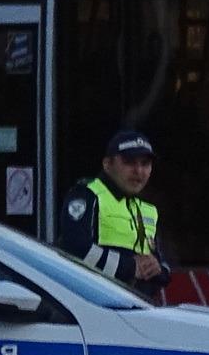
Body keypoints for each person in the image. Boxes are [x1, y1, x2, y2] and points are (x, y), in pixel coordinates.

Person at [58, 129, 167, 302]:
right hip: (95, 305)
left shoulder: (149, 209)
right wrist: (130, 267)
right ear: (107, 164)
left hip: (141, 307)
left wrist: (157, 269)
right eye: (129, 162)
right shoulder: (87, 195)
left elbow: (164, 264)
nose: (138, 171)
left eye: (145, 163)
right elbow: (74, 249)